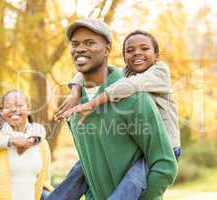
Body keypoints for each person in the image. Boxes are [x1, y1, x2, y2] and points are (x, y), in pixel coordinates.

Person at [49, 18, 177, 200]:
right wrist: (75, 90)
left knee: (136, 177)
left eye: (89, 43)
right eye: (75, 44)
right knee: (77, 173)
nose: (80, 49)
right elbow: (90, 168)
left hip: (168, 148)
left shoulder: (137, 96)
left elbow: (164, 165)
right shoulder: (74, 107)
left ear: (107, 49)